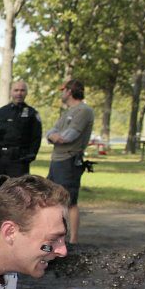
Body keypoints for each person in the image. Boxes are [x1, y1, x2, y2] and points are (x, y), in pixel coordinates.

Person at [47, 79, 94, 246]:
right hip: (57, 160)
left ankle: (73, 241)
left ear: (70, 91)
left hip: (69, 160)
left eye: (63, 90)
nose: (62, 93)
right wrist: (53, 136)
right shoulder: (68, 111)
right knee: (53, 199)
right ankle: (56, 235)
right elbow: (51, 132)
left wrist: (55, 137)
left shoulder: (84, 110)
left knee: (70, 201)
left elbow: (68, 136)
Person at [0, 81, 42, 193]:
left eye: (22, 90)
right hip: (0, 158)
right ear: (11, 92)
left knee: (19, 192)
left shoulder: (32, 113)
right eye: (16, 90)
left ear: (26, 93)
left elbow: (37, 137)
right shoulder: (1, 112)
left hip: (19, 160)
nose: (19, 93)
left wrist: (30, 155)